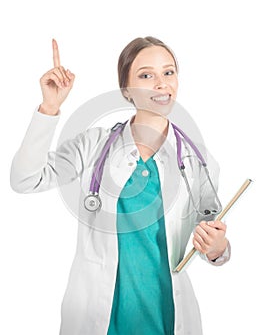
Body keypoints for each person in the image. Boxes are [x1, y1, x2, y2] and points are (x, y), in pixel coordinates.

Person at [10, 37, 230, 335]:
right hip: (100, 317)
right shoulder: (93, 145)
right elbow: (25, 180)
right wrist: (50, 108)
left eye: (168, 72)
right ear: (126, 89)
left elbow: (210, 238)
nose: (161, 83)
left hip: (166, 316)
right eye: (145, 75)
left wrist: (218, 248)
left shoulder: (197, 158)